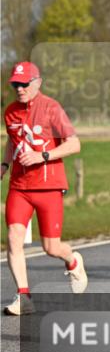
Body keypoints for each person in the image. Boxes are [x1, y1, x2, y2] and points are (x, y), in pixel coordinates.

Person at [3, 61, 88, 315]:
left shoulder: (52, 108)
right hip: (19, 187)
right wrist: (5, 164)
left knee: (50, 247)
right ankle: (24, 297)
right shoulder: (9, 112)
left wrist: (43, 156)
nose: (19, 89)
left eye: (24, 84)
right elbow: (12, 139)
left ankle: (73, 261)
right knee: (13, 239)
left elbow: (74, 144)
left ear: (37, 83)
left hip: (49, 186)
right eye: (15, 84)